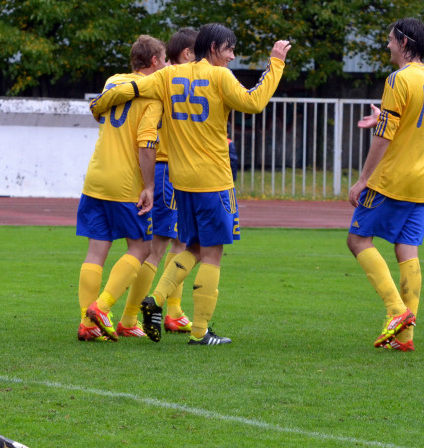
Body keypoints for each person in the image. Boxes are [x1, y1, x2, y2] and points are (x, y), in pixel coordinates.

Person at [90, 23, 291, 345]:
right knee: (212, 253)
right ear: (213, 49)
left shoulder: (169, 76)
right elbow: (253, 103)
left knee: (192, 247)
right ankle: (200, 331)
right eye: (229, 50)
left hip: (180, 182)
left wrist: (100, 102)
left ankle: (155, 300)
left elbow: (135, 89)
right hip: (213, 179)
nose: (232, 57)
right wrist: (276, 63)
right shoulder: (219, 76)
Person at [347, 18, 424, 351]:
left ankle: (396, 311)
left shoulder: (398, 79)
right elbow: (408, 122)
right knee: (406, 248)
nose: (387, 45)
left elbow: (385, 135)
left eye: (390, 40)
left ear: (404, 42)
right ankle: (406, 338)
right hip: (422, 181)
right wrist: (381, 116)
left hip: (393, 179)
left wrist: (362, 180)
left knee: (357, 239)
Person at [77, 35, 167, 342]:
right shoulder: (153, 97)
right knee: (141, 247)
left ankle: (86, 323)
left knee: (96, 251)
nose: (166, 64)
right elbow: (146, 144)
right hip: (124, 182)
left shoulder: (112, 81)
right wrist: (150, 186)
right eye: (164, 59)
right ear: (154, 61)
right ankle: (102, 308)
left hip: (96, 176)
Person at [121, 28, 198, 337]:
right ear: (187, 54)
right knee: (158, 246)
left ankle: (174, 312)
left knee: (179, 242)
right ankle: (128, 317)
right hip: (167, 167)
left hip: (177, 170)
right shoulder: (172, 80)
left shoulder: (173, 79)